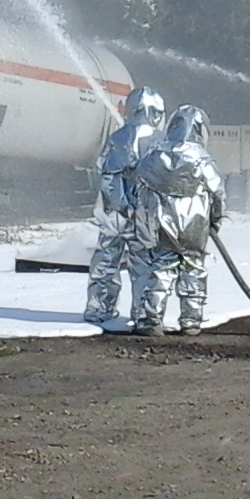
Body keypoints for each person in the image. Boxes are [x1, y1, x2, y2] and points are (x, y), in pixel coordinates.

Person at [130, 105, 226, 336]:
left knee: (161, 270)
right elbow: (218, 193)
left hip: (164, 226)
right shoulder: (203, 159)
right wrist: (215, 221)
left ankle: (151, 320)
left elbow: (138, 190)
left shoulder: (154, 156)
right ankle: (191, 322)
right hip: (196, 227)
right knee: (193, 269)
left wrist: (145, 226)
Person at [83, 86, 166, 325]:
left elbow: (104, 171)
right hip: (144, 215)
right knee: (144, 265)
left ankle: (99, 308)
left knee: (106, 262)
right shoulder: (159, 142)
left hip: (114, 214)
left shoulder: (117, 138)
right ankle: (143, 313)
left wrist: (117, 205)